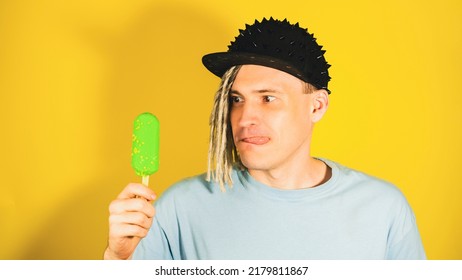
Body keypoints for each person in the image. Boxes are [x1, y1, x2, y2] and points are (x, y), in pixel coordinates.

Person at [103, 18, 426, 260]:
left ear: (317, 106)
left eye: (268, 98)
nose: (244, 119)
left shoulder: (383, 208)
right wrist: (118, 260)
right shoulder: (177, 207)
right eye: (236, 99)